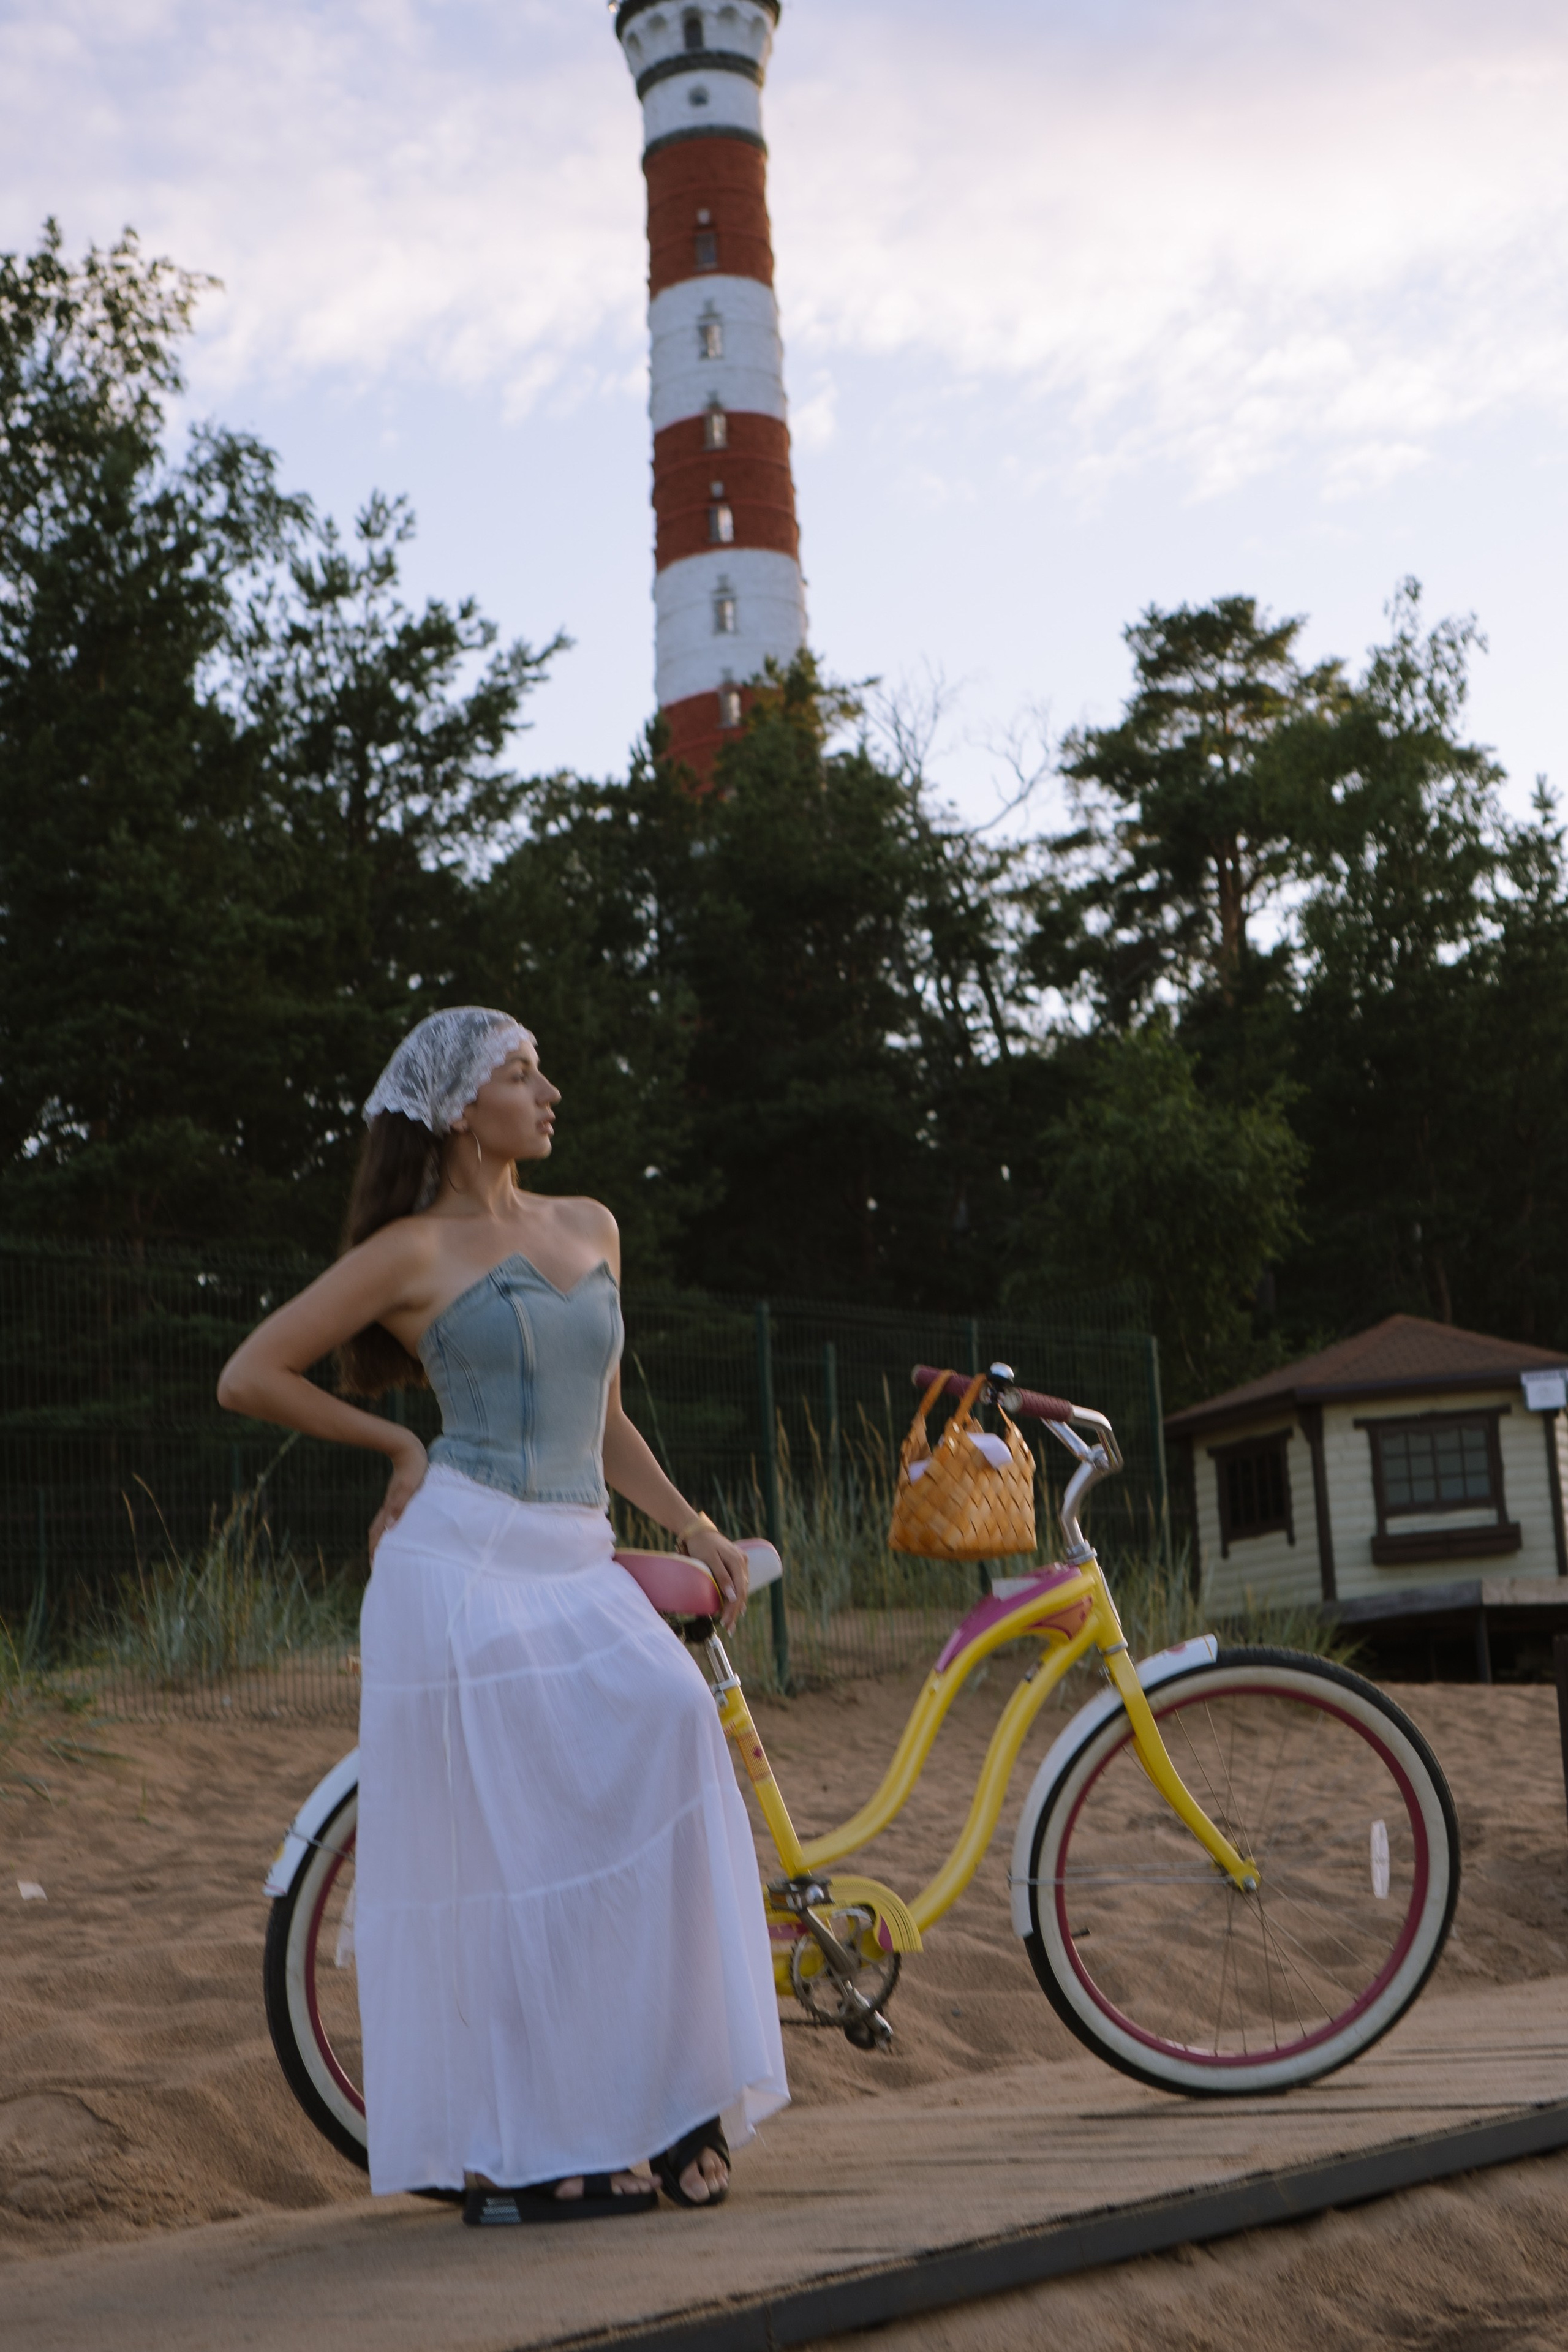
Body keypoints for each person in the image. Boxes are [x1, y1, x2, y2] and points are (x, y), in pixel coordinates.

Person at [218, 1007, 788, 2223]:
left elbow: (607, 1421)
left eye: (540, 1068)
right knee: (522, 1844)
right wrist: (394, 1448)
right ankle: (527, 2155)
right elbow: (250, 1371)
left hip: (575, 1555)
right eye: (520, 1074)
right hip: (460, 1569)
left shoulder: (589, 1227)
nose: (549, 1091)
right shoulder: (411, 1250)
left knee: (675, 1730)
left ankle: (667, 2092)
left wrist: (692, 1529)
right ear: (457, 1109)